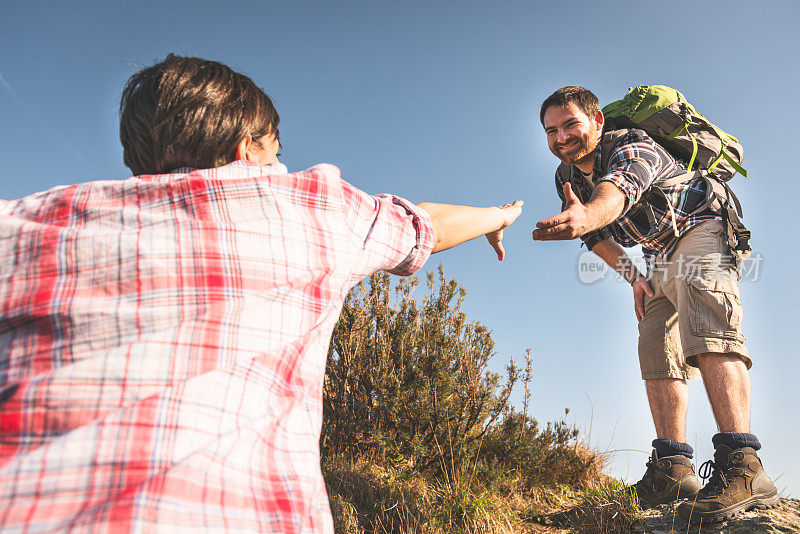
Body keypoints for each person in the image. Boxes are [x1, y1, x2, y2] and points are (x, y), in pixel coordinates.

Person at [0, 54, 523, 532]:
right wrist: (499, 216)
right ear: (247, 148)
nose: (282, 166)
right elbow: (424, 223)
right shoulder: (310, 207)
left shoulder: (23, 222)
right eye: (277, 151)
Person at [533, 86, 778, 523]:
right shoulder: (566, 177)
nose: (561, 137)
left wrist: (586, 214)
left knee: (707, 331)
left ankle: (744, 463)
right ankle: (673, 470)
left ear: (597, 122)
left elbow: (615, 195)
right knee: (655, 347)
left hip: (702, 227)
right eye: (551, 130)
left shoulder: (631, 144)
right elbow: (596, 238)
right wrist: (635, 279)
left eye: (571, 124)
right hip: (657, 254)